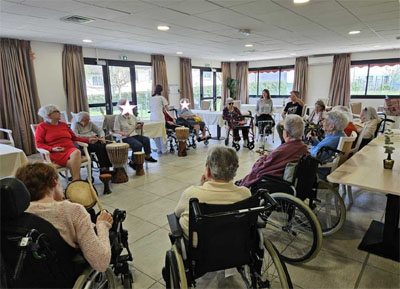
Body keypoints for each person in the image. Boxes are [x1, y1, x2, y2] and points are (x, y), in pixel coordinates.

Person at [15, 163, 113, 272]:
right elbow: (101, 263)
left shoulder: (15, 212)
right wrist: (102, 225)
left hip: (29, 273)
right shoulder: (73, 210)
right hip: (62, 273)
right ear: (54, 182)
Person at [174, 146, 251, 239]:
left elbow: (177, 214)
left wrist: (201, 186)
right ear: (234, 170)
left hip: (199, 248)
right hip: (234, 244)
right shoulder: (245, 194)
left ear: (208, 171)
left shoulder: (192, 194)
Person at [238, 115, 308, 190]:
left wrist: (263, 157)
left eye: (283, 129)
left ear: (286, 133)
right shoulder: (303, 147)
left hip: (274, 182)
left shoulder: (281, 151)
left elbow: (258, 168)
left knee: (247, 179)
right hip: (289, 181)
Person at [36, 104, 97, 181]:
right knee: (75, 159)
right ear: (48, 115)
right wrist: (52, 149)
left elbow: (74, 137)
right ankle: (78, 181)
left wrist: (88, 140)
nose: (59, 113)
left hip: (70, 149)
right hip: (55, 152)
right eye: (56, 111)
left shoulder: (64, 125)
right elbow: (39, 144)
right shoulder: (42, 127)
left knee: (77, 152)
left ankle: (75, 180)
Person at [114, 99, 157, 168]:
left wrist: (140, 125)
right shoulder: (118, 118)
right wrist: (124, 133)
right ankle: (133, 161)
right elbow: (116, 130)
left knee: (146, 139)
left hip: (134, 135)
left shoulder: (132, 116)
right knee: (137, 145)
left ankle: (147, 156)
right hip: (125, 138)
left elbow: (136, 127)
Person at [308, 110, 348, 178]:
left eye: (325, 121)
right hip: (326, 164)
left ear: (331, 126)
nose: (323, 122)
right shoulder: (339, 135)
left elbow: (316, 156)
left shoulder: (333, 140)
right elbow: (323, 148)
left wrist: (305, 149)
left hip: (320, 169)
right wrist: (314, 140)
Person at [150, 84, 169, 154]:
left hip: (152, 117)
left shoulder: (151, 98)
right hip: (159, 117)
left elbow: (151, 108)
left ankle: (159, 149)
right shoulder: (161, 98)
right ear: (161, 90)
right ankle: (164, 150)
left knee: (156, 134)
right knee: (162, 133)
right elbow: (167, 109)